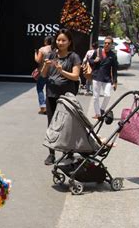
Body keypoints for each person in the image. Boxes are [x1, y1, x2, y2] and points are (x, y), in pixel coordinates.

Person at [41, 29, 81, 165]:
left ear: (69, 42)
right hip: (51, 95)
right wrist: (46, 66)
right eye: (58, 40)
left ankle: (68, 152)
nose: (60, 42)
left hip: (67, 97)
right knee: (51, 124)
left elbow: (76, 76)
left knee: (67, 125)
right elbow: (43, 75)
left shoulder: (74, 57)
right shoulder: (51, 55)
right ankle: (51, 154)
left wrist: (61, 71)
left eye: (64, 40)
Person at [89, 36, 118, 119]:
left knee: (107, 95)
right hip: (97, 76)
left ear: (112, 45)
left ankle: (102, 110)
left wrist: (115, 81)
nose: (107, 44)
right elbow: (90, 60)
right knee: (95, 97)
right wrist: (94, 61)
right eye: (105, 43)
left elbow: (115, 70)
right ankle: (98, 114)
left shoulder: (113, 55)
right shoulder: (98, 51)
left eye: (109, 43)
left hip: (107, 78)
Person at [34, 36, 54, 114]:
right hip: (52, 72)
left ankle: (43, 107)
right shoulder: (54, 49)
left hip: (43, 72)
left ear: (46, 41)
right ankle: (51, 107)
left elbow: (38, 60)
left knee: (40, 89)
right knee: (50, 90)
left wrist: (35, 54)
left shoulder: (42, 49)